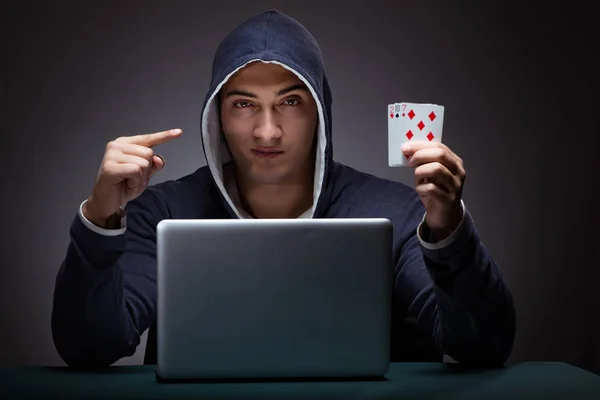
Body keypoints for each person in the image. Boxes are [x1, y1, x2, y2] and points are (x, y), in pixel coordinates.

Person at [51, 9, 516, 368]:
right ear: (217, 116)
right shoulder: (161, 211)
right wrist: (100, 217)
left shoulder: (398, 213)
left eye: (291, 101)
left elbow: (482, 346)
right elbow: (89, 348)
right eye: (244, 104)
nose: (267, 132)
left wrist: (449, 227)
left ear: (320, 113)